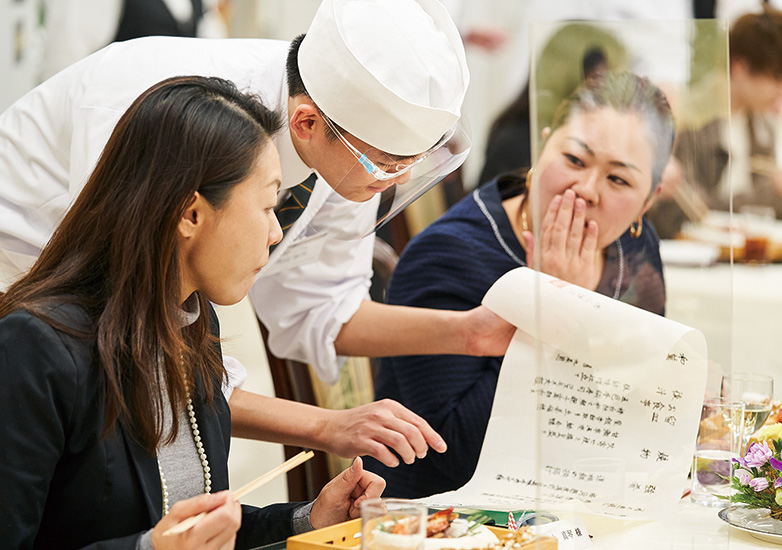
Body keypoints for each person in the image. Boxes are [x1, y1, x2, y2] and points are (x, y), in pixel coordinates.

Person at [0, 0, 514, 469]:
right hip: (30, 310)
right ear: (306, 123)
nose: (393, 181)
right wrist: (326, 427)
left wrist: (470, 332)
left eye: (408, 166)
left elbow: (320, 307)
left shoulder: (345, 142)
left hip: (115, 343)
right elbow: (140, 345)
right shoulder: (167, 113)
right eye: (384, 165)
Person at [0, 75, 384, 549]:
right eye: (267, 206)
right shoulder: (35, 348)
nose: (275, 233)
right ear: (191, 213)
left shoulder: (191, 322)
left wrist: (305, 521)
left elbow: (189, 521)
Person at [365, 71, 675, 498]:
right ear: (542, 144)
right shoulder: (450, 255)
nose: (585, 190)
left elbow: (645, 395)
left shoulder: (633, 248)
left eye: (618, 180)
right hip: (450, 518)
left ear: (650, 199)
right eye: (575, 160)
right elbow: (454, 453)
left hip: (586, 499)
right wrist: (550, 302)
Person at [647, 6, 782, 238]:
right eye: (775, 78)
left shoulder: (762, 126)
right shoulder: (690, 118)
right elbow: (686, 212)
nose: (778, 91)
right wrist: (772, 191)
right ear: (739, 68)